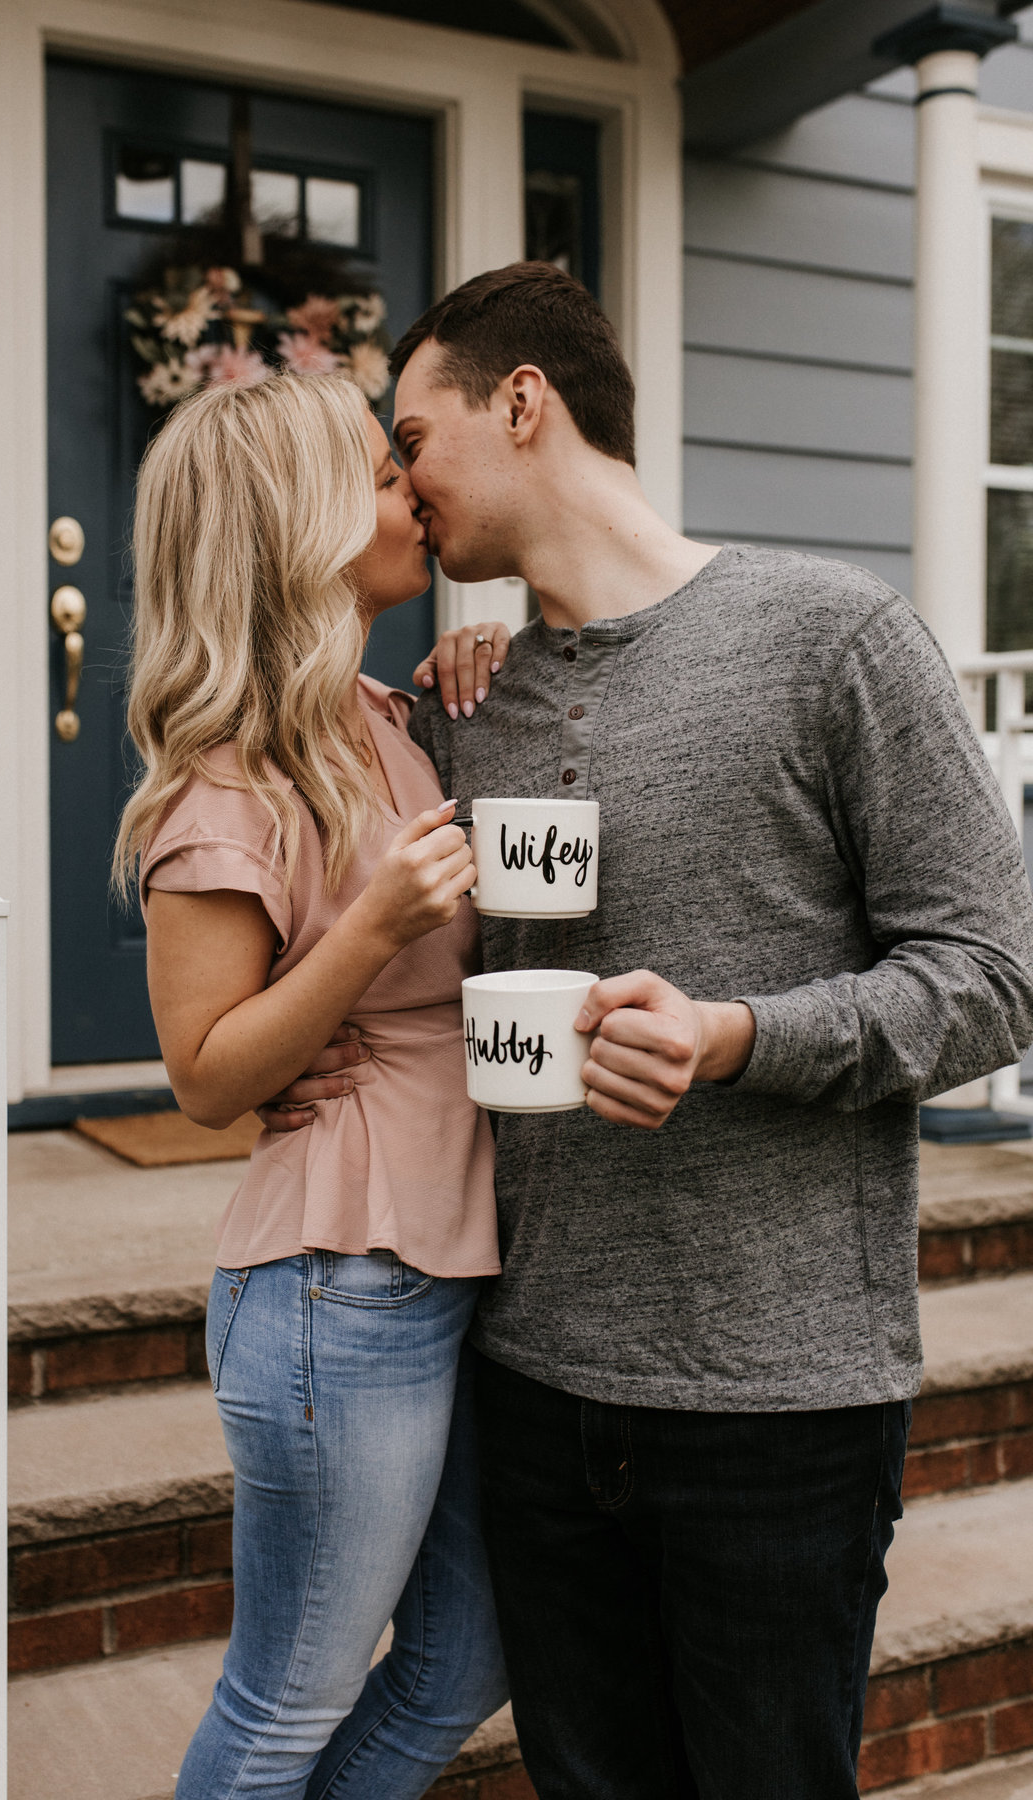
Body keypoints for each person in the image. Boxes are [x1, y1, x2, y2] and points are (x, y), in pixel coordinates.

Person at [259, 263, 1033, 1799]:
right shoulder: (464, 707)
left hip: (781, 1396)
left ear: (522, 404)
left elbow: (992, 976)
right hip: (535, 1389)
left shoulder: (836, 639)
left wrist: (740, 1035)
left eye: (412, 439)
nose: (401, 484)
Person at [114, 371, 507, 1799]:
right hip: (342, 1286)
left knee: (466, 1658)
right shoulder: (226, 782)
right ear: (303, 526)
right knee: (284, 1704)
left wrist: (489, 664)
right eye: (384, 475)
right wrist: (370, 932)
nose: (416, 492)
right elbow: (205, 1078)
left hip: (452, 1260)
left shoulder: (390, 717)